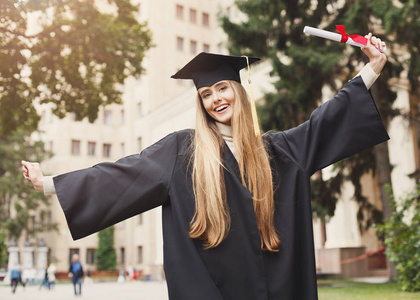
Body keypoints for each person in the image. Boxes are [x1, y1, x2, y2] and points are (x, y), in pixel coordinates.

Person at [22, 33, 388, 299]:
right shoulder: (184, 150)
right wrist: (51, 183)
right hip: (214, 291)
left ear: (239, 92)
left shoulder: (276, 151)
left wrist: (372, 68)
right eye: (206, 95)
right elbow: (124, 173)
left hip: (274, 289)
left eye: (222, 89)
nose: (216, 99)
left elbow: (324, 123)